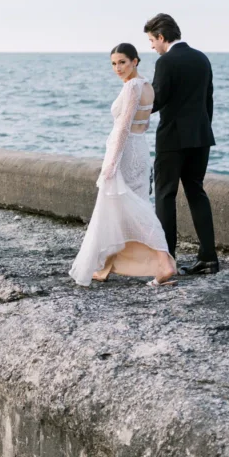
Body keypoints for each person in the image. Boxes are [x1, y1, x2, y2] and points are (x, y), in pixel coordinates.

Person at [69, 43, 177, 287]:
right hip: (140, 148)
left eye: (122, 62)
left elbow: (123, 126)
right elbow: (144, 124)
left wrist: (111, 163)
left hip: (126, 151)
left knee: (132, 208)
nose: (117, 68)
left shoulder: (132, 87)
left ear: (135, 61)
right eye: (113, 64)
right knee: (126, 206)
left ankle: (164, 261)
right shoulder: (147, 86)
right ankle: (107, 265)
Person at [144, 13, 219, 275]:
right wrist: (202, 128)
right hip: (200, 136)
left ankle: (167, 261)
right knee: (196, 192)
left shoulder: (166, 62)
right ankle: (209, 258)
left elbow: (157, 100)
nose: (152, 46)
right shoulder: (202, 58)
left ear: (162, 37)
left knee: (165, 195)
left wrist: (135, 102)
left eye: (152, 41)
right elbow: (208, 100)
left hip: (173, 138)